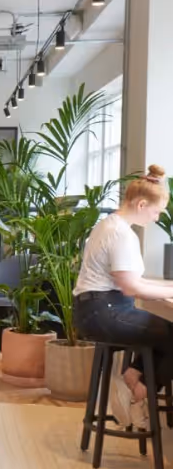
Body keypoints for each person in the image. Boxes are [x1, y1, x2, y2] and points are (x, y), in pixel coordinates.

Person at [74, 165, 173, 429]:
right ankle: (139, 391)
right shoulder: (121, 234)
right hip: (104, 311)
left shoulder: (109, 225)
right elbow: (130, 287)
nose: (156, 218)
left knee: (164, 332)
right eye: (155, 212)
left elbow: (129, 280)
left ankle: (133, 377)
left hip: (96, 309)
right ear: (141, 204)